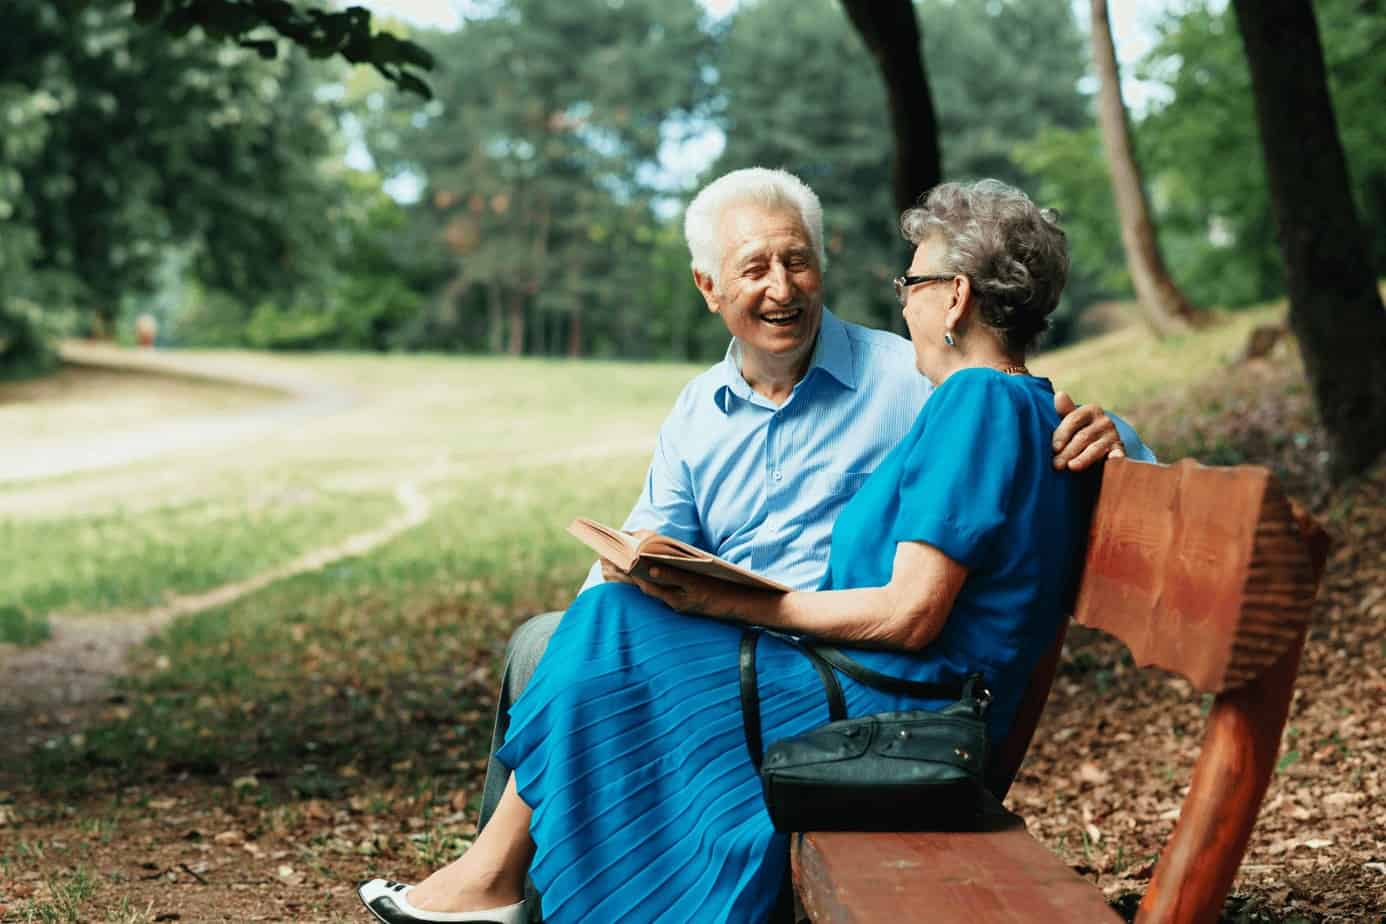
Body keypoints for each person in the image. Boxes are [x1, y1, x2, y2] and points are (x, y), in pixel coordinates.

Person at [358, 177, 1143, 924]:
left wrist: (743, 601)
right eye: (755, 268)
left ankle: (493, 884)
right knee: (599, 620)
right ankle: (496, 883)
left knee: (608, 632)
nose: (902, 303)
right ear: (711, 287)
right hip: (856, 672)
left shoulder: (965, 396)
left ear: (957, 296)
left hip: (887, 697)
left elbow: (911, 613)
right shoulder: (988, 401)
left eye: (912, 284)